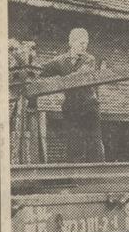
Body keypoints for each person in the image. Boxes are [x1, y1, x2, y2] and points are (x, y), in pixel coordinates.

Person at [40, 28, 104, 162]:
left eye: (86, 43)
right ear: (71, 43)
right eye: (81, 43)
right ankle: (74, 176)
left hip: (89, 106)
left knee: (94, 140)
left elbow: (81, 75)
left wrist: (61, 81)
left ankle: (98, 174)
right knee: (74, 142)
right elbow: (41, 70)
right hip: (71, 107)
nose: (84, 46)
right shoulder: (60, 61)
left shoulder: (89, 59)